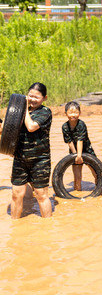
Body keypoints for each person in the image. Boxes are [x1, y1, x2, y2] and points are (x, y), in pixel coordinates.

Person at [10, 82, 53, 219]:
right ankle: (14, 226)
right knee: (16, 194)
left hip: (40, 160)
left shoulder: (45, 112)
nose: (32, 99)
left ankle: (48, 228)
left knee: (41, 195)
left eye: (36, 97)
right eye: (30, 96)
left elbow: (31, 127)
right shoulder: (18, 111)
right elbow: (8, 131)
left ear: (44, 98)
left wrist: (24, 110)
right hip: (20, 158)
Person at [62, 101, 97, 191]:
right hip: (74, 151)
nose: (73, 115)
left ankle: (99, 190)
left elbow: (80, 141)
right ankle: (78, 193)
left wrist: (79, 155)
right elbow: (69, 142)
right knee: (77, 177)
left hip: (87, 149)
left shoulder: (81, 124)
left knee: (96, 172)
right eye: (70, 112)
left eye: (76, 112)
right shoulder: (65, 126)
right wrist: (75, 155)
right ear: (65, 114)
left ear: (80, 113)